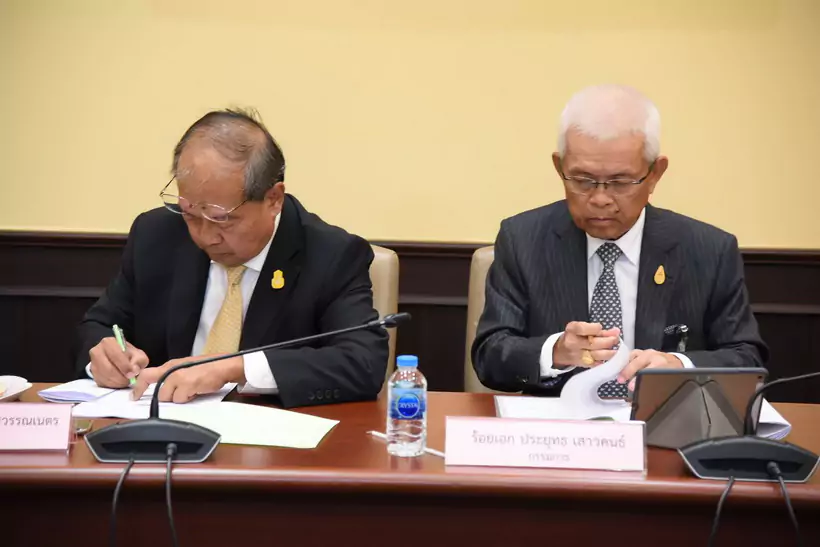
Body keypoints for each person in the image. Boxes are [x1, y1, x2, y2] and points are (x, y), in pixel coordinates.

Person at [73, 108, 389, 408]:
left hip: (269, 436)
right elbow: (100, 324)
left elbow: (362, 362)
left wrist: (235, 367)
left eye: (222, 219)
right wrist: (104, 356)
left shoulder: (331, 254)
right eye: (190, 214)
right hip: (163, 426)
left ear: (273, 199)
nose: (205, 236)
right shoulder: (156, 235)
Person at [472, 84, 767, 397]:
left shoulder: (709, 251)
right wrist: (554, 352)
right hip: (559, 423)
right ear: (559, 168)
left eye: (620, 182)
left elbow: (747, 358)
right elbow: (490, 354)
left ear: (655, 174)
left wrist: (678, 366)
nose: (600, 199)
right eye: (583, 180)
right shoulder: (523, 240)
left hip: (661, 421)